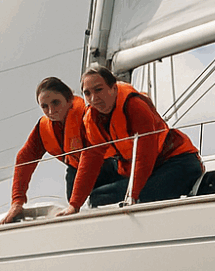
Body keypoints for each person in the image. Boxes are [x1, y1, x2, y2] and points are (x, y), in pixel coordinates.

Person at [61, 66, 203, 216]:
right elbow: (90, 159)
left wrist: (133, 196)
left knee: (129, 196)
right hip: (149, 171)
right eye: (87, 93)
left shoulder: (134, 105)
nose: (94, 98)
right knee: (98, 197)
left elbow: (145, 154)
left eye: (99, 90)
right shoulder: (92, 119)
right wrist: (74, 205)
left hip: (178, 163)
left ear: (113, 88)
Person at [1, 77, 123, 224]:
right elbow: (24, 159)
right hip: (78, 173)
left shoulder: (89, 114)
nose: (51, 111)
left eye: (56, 103)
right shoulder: (43, 128)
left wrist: (75, 204)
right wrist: (17, 201)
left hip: (113, 167)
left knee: (100, 198)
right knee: (77, 191)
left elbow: (91, 156)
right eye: (44, 106)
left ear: (69, 99)